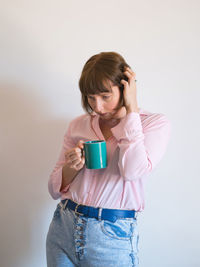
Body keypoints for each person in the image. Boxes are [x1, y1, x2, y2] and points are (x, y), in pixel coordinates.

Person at [46, 51, 171, 267]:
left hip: (111, 236)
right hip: (62, 227)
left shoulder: (153, 124)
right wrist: (72, 167)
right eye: (90, 97)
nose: (98, 107)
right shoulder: (78, 125)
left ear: (125, 89)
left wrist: (131, 111)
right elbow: (53, 189)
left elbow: (132, 171)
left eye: (105, 96)